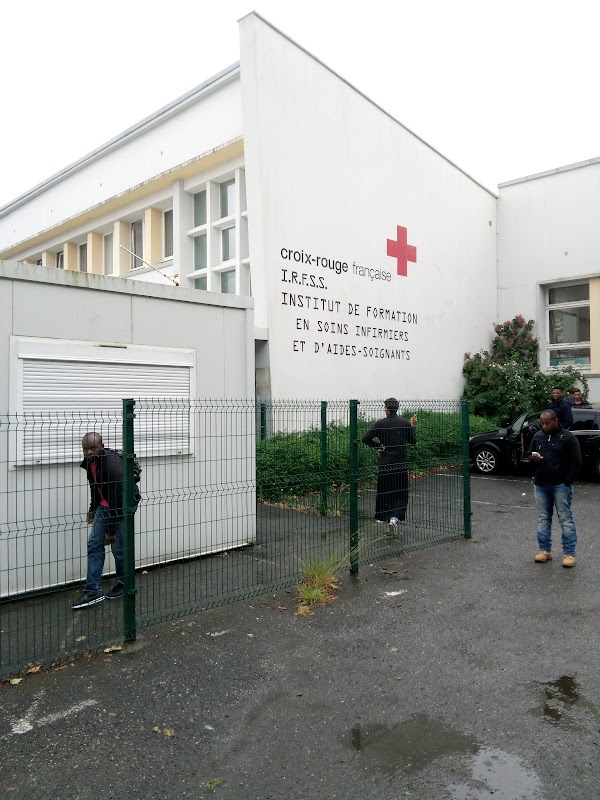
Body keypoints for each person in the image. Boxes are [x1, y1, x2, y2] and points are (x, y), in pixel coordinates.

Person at [72, 432, 141, 610]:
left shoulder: (112, 465)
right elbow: (95, 486)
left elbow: (117, 499)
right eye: (85, 449)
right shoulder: (89, 462)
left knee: (118, 548)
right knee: (94, 544)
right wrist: (93, 508)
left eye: (92, 448)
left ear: (101, 447)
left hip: (123, 504)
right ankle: (93, 591)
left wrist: (110, 531)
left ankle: (124, 584)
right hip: (106, 504)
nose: (88, 452)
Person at [528, 410, 581, 568]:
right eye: (542, 423)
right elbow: (528, 456)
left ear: (556, 421)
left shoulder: (568, 437)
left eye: (547, 423)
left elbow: (576, 461)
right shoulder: (538, 436)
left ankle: (569, 553)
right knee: (543, 518)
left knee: (565, 518)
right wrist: (534, 458)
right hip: (541, 484)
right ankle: (544, 550)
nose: (544, 426)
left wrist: (567, 481)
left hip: (560, 485)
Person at [362, 398, 417, 532]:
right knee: (400, 491)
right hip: (400, 464)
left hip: (385, 463)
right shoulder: (404, 423)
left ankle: (383, 516)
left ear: (386, 409)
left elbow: (365, 438)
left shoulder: (380, 424)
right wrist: (411, 426)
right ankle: (395, 517)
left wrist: (378, 446)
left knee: (385, 490)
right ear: (397, 408)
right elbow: (412, 441)